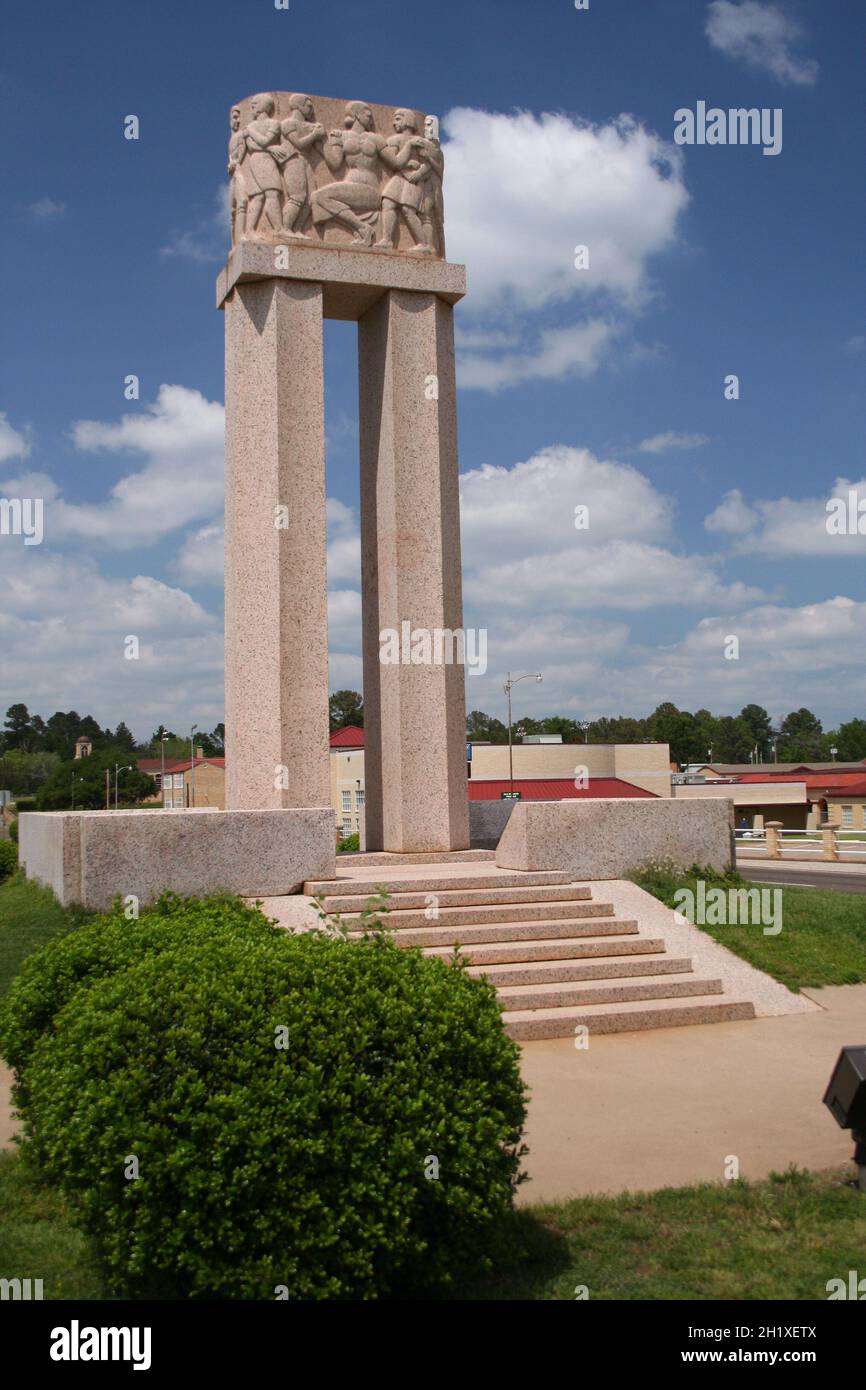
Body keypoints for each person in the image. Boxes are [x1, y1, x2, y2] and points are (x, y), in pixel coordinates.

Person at [279, 94, 325, 239]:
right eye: (308, 106)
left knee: (311, 199)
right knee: (297, 196)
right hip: (293, 159)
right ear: (299, 106)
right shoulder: (288, 123)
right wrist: (315, 134)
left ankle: (297, 229)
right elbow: (298, 143)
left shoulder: (307, 126)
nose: (311, 110)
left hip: (305, 161)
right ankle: (285, 228)